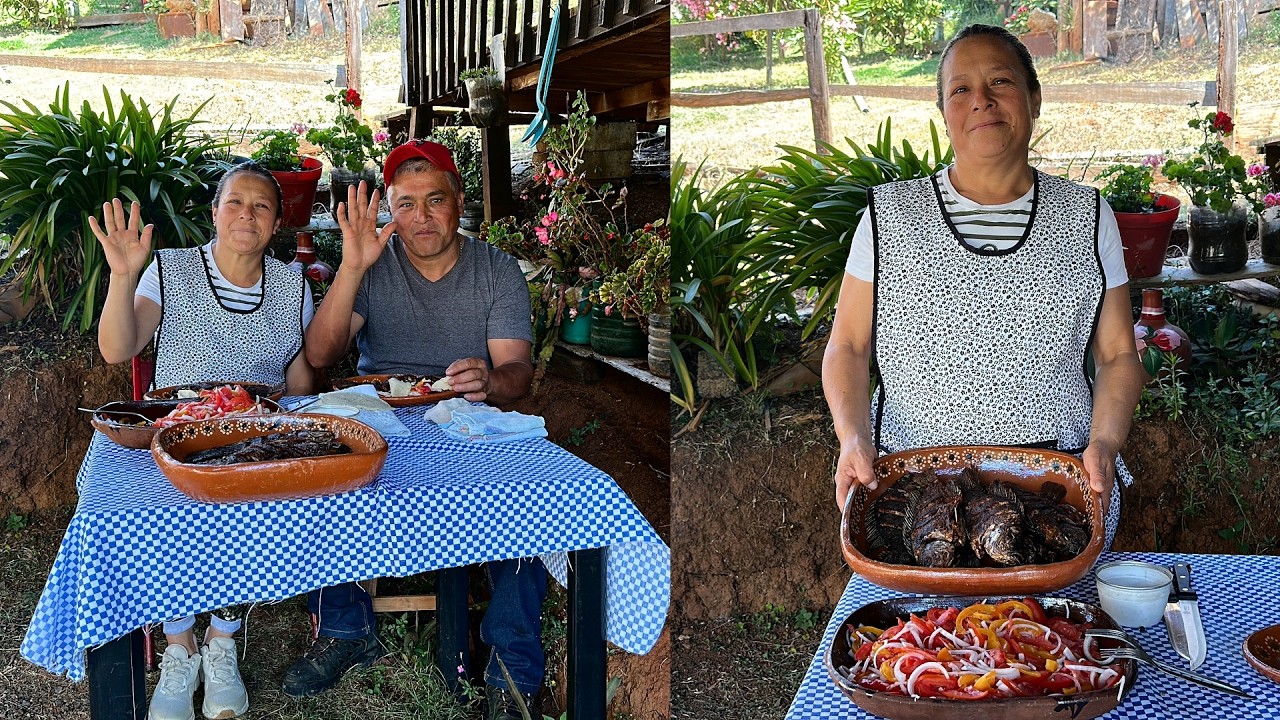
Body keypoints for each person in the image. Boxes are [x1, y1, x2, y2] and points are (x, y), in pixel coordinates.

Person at [823, 24, 1145, 549]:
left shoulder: (1087, 215)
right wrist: (853, 437)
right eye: (960, 89)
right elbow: (848, 346)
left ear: (1034, 98)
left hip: (1058, 489)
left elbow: (1118, 354)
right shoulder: (890, 217)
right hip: (914, 494)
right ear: (943, 111)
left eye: (1000, 81)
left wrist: (1105, 442)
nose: (982, 101)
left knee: (1051, 602)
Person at [289, 140, 540, 720]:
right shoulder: (375, 265)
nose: (421, 217)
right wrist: (353, 267)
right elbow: (321, 354)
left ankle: (513, 669)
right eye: (405, 204)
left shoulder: (496, 270)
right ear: (390, 211)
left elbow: (517, 374)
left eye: (435, 200)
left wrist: (489, 380)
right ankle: (346, 628)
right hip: (380, 417)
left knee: (527, 496)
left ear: (459, 201)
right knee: (322, 476)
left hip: (469, 418)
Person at [92, 161, 316, 720]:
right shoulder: (168, 270)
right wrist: (122, 275)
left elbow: (298, 381)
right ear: (214, 213)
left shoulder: (294, 287)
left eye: (262, 206)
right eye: (235, 202)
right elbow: (118, 349)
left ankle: (221, 640)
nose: (247, 214)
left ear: (277, 222)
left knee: (255, 509)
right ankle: (179, 645)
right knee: (160, 513)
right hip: (176, 435)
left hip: (254, 440)